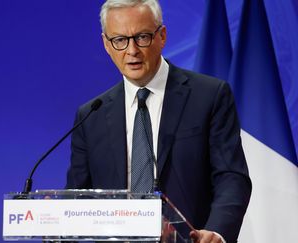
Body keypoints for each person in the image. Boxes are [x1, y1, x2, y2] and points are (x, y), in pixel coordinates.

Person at [66, 0, 251, 242]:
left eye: (142, 37)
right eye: (120, 40)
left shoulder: (209, 96)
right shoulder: (91, 115)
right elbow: (78, 198)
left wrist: (216, 232)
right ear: (106, 44)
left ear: (161, 36)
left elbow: (231, 176)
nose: (132, 50)